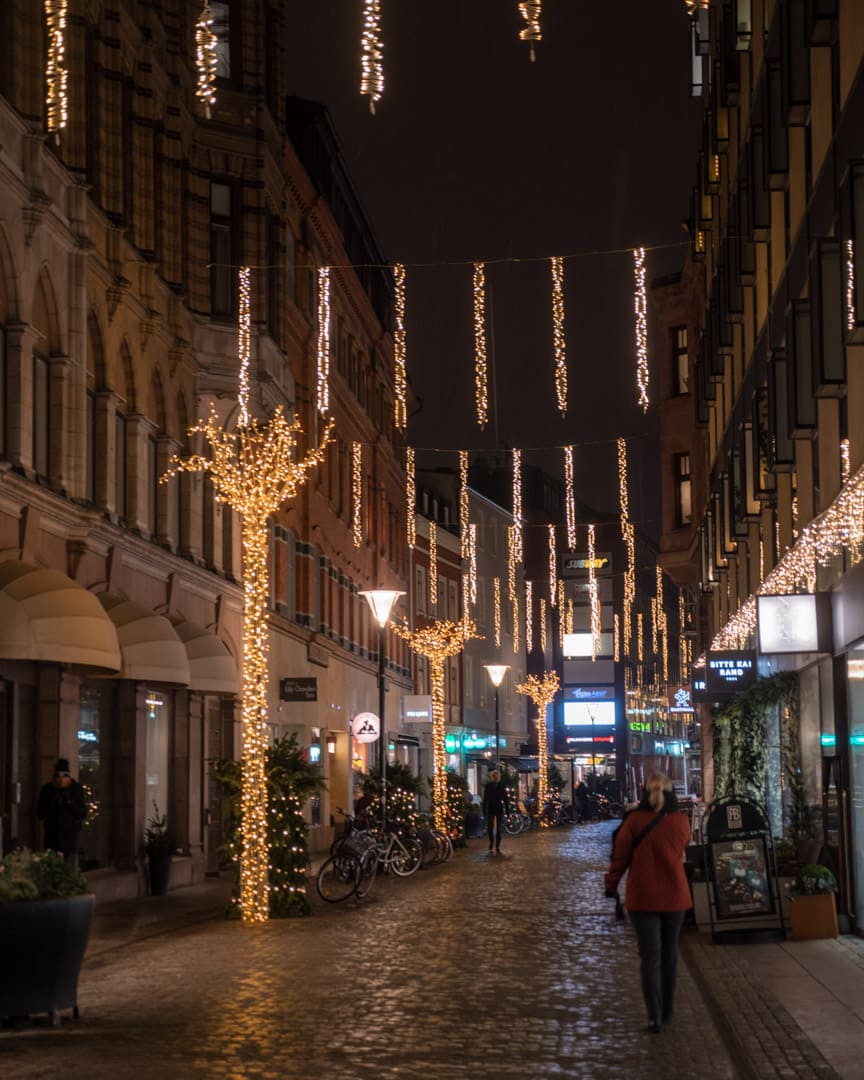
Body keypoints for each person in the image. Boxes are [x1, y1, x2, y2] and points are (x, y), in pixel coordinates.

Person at [604, 772, 692, 1033]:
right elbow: (682, 848)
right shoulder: (681, 822)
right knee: (669, 955)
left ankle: (653, 1014)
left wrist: (611, 885)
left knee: (650, 957)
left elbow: (619, 858)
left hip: (642, 897)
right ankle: (667, 1010)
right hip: (675, 896)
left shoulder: (633, 821)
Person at [36, 757, 87, 866]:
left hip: (69, 838)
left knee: (69, 870)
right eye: (58, 776)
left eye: (64, 775)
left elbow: (82, 813)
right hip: (52, 838)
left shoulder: (75, 789)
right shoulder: (48, 789)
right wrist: (53, 800)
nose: (61, 779)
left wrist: (69, 802)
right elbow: (40, 814)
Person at [482, 769, 509, 854]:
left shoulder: (502, 786)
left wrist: (507, 811)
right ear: (492, 777)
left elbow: (505, 799)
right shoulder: (488, 786)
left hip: (499, 809)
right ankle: (491, 841)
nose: (496, 777)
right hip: (491, 809)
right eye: (494, 776)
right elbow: (485, 798)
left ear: (499, 777)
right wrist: (484, 810)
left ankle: (497, 845)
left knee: (499, 829)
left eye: (497, 776)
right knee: (490, 827)